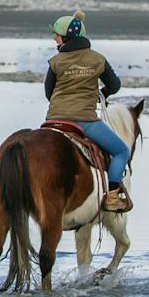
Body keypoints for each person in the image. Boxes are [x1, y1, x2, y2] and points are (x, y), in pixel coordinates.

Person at [44, 11, 131, 212]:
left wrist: (62, 103)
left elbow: (49, 92)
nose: (54, 38)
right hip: (85, 121)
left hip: (53, 120)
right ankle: (111, 197)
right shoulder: (97, 59)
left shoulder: (55, 62)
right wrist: (102, 93)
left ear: (65, 37)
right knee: (121, 151)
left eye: (56, 34)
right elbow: (115, 85)